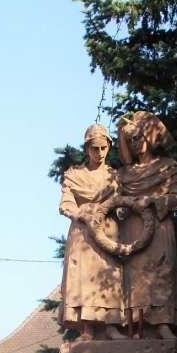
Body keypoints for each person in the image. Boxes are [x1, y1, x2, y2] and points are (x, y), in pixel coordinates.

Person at [117, 112, 177, 338]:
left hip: (159, 227)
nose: (135, 144)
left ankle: (163, 324)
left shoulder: (168, 166)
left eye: (138, 138)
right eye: (130, 140)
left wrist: (153, 200)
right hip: (131, 230)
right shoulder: (123, 174)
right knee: (133, 278)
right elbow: (113, 203)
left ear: (148, 136)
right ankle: (134, 326)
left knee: (160, 273)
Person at [58, 124, 125, 341]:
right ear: (87, 149)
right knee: (84, 278)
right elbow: (66, 204)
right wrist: (82, 215)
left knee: (110, 274)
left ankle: (111, 326)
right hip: (83, 233)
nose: (100, 153)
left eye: (104, 148)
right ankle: (87, 328)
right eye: (95, 148)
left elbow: (123, 206)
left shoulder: (114, 176)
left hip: (108, 230)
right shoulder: (74, 175)